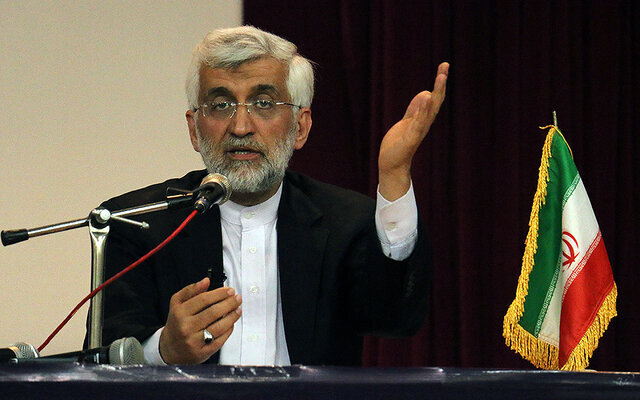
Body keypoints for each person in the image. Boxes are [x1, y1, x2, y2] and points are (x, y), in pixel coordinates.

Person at [97, 26, 448, 366]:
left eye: (263, 103)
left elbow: (396, 318)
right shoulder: (137, 222)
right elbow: (102, 355)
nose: (240, 127)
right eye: (220, 105)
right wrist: (164, 350)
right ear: (194, 128)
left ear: (300, 127)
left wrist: (394, 174)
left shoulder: (346, 222)